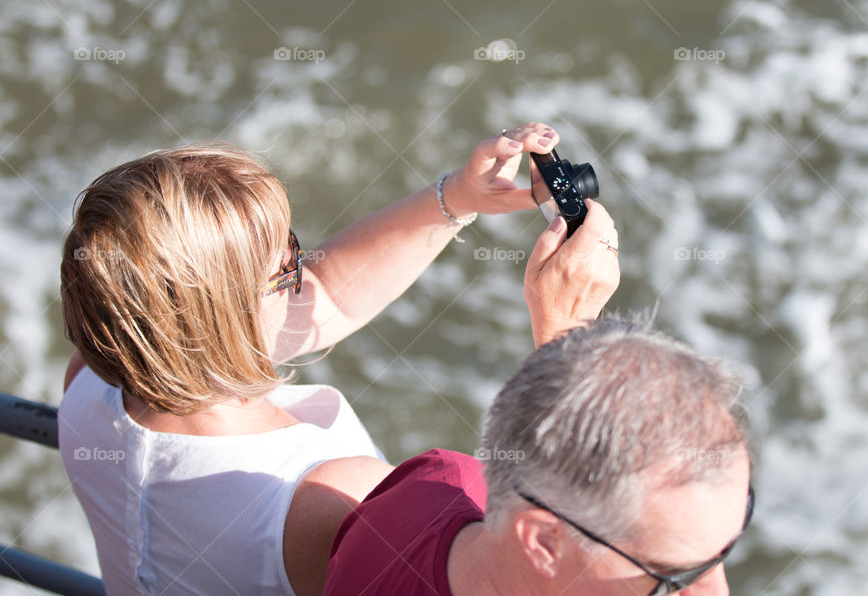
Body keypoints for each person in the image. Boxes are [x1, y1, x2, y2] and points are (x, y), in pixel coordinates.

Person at [57, 122, 620, 595]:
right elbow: (528, 575)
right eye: (285, 269)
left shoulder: (88, 383)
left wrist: (457, 198)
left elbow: (325, 294)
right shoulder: (328, 498)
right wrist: (567, 333)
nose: (302, 270)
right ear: (230, 320)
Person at [320, 316, 752, 596]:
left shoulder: (439, 482)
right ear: (544, 543)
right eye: (673, 580)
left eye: (726, 547)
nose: (720, 592)